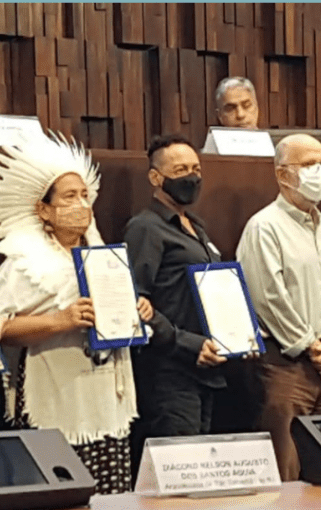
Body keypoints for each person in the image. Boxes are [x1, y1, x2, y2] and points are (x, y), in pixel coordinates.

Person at [0, 134, 151, 493]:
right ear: (43, 209)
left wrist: (138, 310)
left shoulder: (104, 259)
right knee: (62, 493)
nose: (81, 204)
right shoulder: (23, 265)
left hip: (106, 398)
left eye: (85, 195)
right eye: (69, 196)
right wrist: (60, 320)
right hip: (57, 397)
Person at [237, 134, 321, 480]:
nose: (319, 171)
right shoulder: (264, 227)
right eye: (308, 165)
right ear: (282, 174)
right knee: (286, 470)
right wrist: (312, 347)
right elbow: (268, 297)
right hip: (286, 366)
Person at [124, 136, 227, 445]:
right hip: (170, 372)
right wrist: (187, 344)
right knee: (180, 463)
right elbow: (134, 303)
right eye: (180, 170)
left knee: (202, 462)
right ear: (156, 178)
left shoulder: (196, 226)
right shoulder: (145, 227)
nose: (191, 177)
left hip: (208, 368)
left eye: (196, 169)